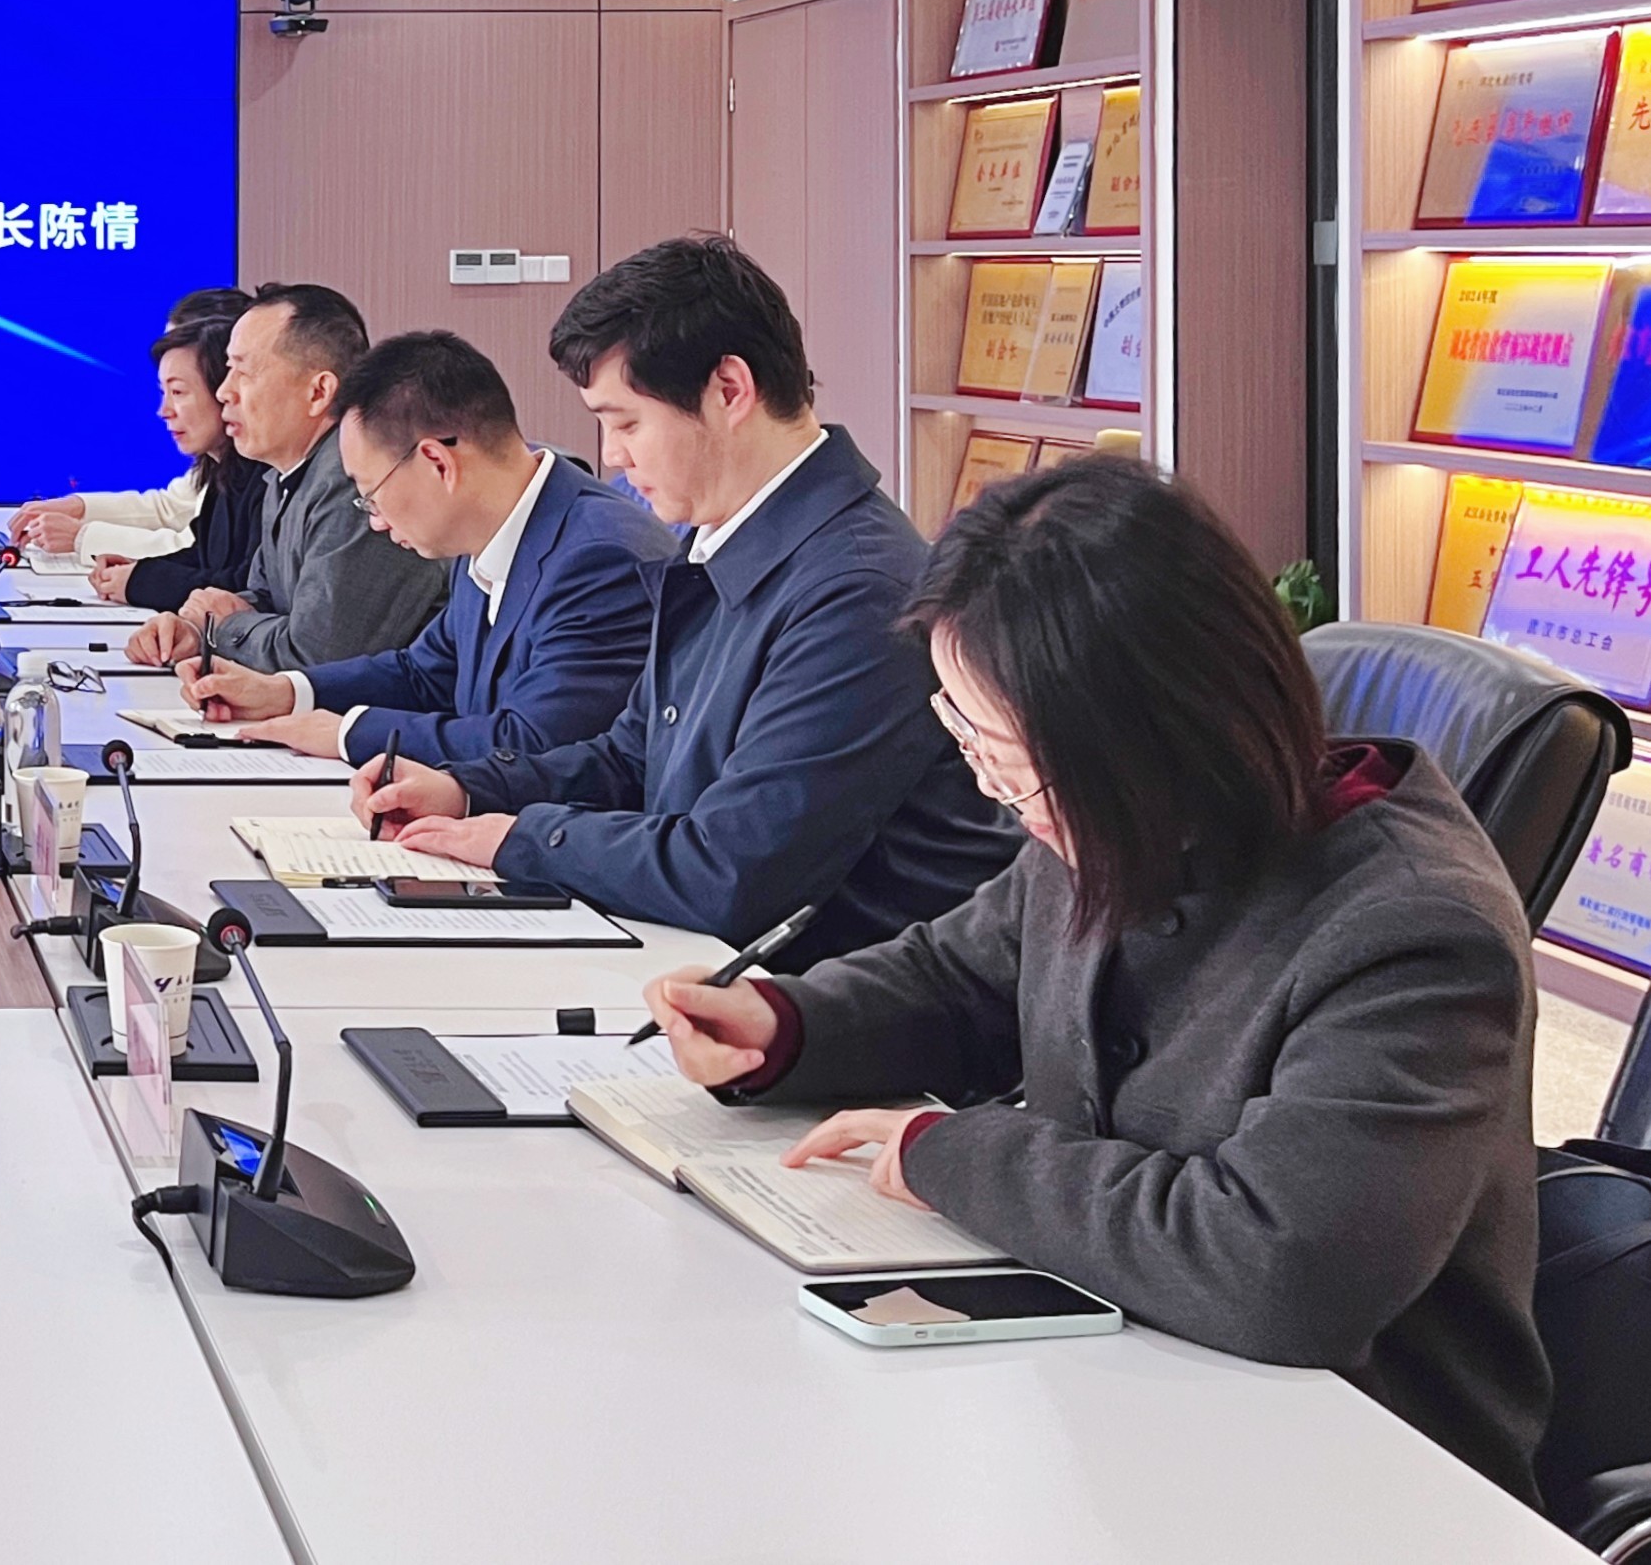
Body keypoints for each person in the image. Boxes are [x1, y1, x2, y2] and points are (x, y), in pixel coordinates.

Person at [642, 456, 1549, 1503]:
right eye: (963, 732)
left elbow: (1279, 1267)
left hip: (1351, 1474)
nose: (987, 784)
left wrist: (946, 1150)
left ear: (1137, 736)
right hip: (1116, 1396)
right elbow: (964, 976)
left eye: (999, 751)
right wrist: (783, 1021)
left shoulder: (1413, 932)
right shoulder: (1122, 818)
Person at [357, 235, 1015, 964]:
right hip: (699, 964)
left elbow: (731, 870)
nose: (612, 456)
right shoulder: (720, 543)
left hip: (812, 1000)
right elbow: (631, 759)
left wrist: (522, 838)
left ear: (729, 390)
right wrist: (467, 790)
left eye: (626, 423)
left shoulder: (858, 588)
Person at [181, 329, 670, 766]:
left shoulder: (600, 557)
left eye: (371, 495)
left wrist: (350, 733)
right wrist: (286, 692)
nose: (374, 521)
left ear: (438, 463)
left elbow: (536, 742)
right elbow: (424, 673)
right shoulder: (489, 534)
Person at [123, 284, 446, 673]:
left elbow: (318, 654)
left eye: (243, 372)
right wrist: (194, 628)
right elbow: (266, 599)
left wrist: (221, 628)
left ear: (318, 392)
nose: (224, 392)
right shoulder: (284, 475)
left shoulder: (354, 481)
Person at [7, 285, 256, 556]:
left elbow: (196, 553)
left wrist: (82, 537)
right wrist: (77, 508)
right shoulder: (218, 461)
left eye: (178, 391)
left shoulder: (258, 471)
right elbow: (169, 509)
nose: (164, 411)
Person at [104, 313, 259, 610]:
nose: (164, 411)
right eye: (164, 393)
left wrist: (141, 582)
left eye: (178, 392)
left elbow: (248, 586)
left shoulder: (265, 477)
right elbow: (202, 555)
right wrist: (136, 570)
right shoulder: (221, 471)